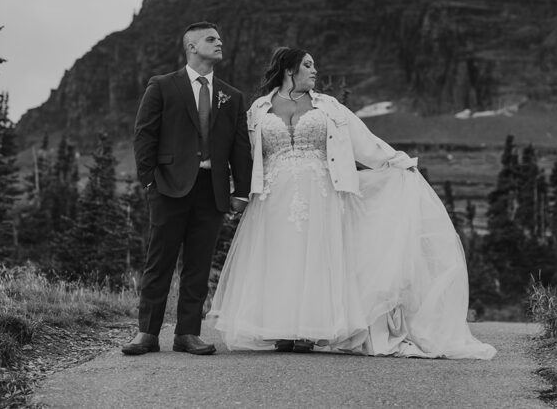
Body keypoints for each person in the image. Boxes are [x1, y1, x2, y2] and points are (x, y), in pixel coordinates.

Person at [208, 47, 496, 359]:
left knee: (316, 257)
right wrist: (237, 191)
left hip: (320, 193)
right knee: (278, 255)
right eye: (308, 65)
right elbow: (246, 155)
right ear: (289, 70)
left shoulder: (329, 107)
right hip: (273, 195)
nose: (315, 70)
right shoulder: (258, 110)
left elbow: (364, 141)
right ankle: (280, 330)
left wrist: (397, 162)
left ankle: (309, 330)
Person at [122, 22, 252, 356]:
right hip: (168, 187)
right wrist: (150, 181)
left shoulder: (232, 96)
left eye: (221, 38)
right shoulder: (163, 86)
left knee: (198, 263)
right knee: (159, 261)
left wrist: (241, 191)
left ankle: (187, 333)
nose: (219, 42)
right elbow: (144, 135)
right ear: (191, 46)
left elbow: (240, 147)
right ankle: (147, 333)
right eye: (211, 39)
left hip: (213, 189)